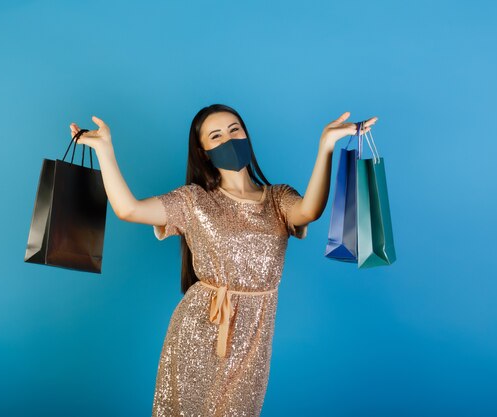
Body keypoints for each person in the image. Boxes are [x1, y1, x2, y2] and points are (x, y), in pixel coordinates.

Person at [69, 104, 377, 416]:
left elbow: (310, 210)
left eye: (234, 130)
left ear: (246, 133)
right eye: (216, 136)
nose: (229, 139)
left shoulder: (278, 198)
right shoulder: (193, 200)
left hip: (254, 338)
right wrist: (104, 149)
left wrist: (326, 146)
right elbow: (129, 209)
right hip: (198, 329)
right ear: (204, 152)